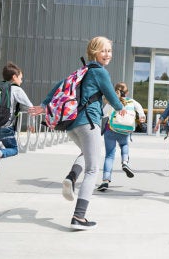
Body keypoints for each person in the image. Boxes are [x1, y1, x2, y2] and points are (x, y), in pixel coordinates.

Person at [31, 36, 125, 230]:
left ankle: (71, 177)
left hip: (72, 125)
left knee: (86, 154)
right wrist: (120, 107)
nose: (107, 54)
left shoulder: (82, 71)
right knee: (93, 169)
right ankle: (79, 217)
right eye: (103, 50)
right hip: (89, 122)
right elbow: (110, 94)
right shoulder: (100, 72)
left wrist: (43, 105)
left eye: (109, 50)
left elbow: (60, 85)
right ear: (94, 52)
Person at [0, 62, 35, 196]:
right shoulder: (16, 89)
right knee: (13, 150)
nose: (21, 80)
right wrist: (31, 123)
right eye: (21, 77)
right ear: (15, 77)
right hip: (5, 127)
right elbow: (31, 107)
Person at [96, 82, 146, 191]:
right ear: (127, 92)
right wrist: (142, 117)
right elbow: (140, 110)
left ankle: (105, 181)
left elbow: (103, 114)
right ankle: (124, 162)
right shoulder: (132, 101)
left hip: (111, 130)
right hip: (125, 131)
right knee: (124, 145)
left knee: (109, 156)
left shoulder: (111, 102)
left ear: (115, 91)